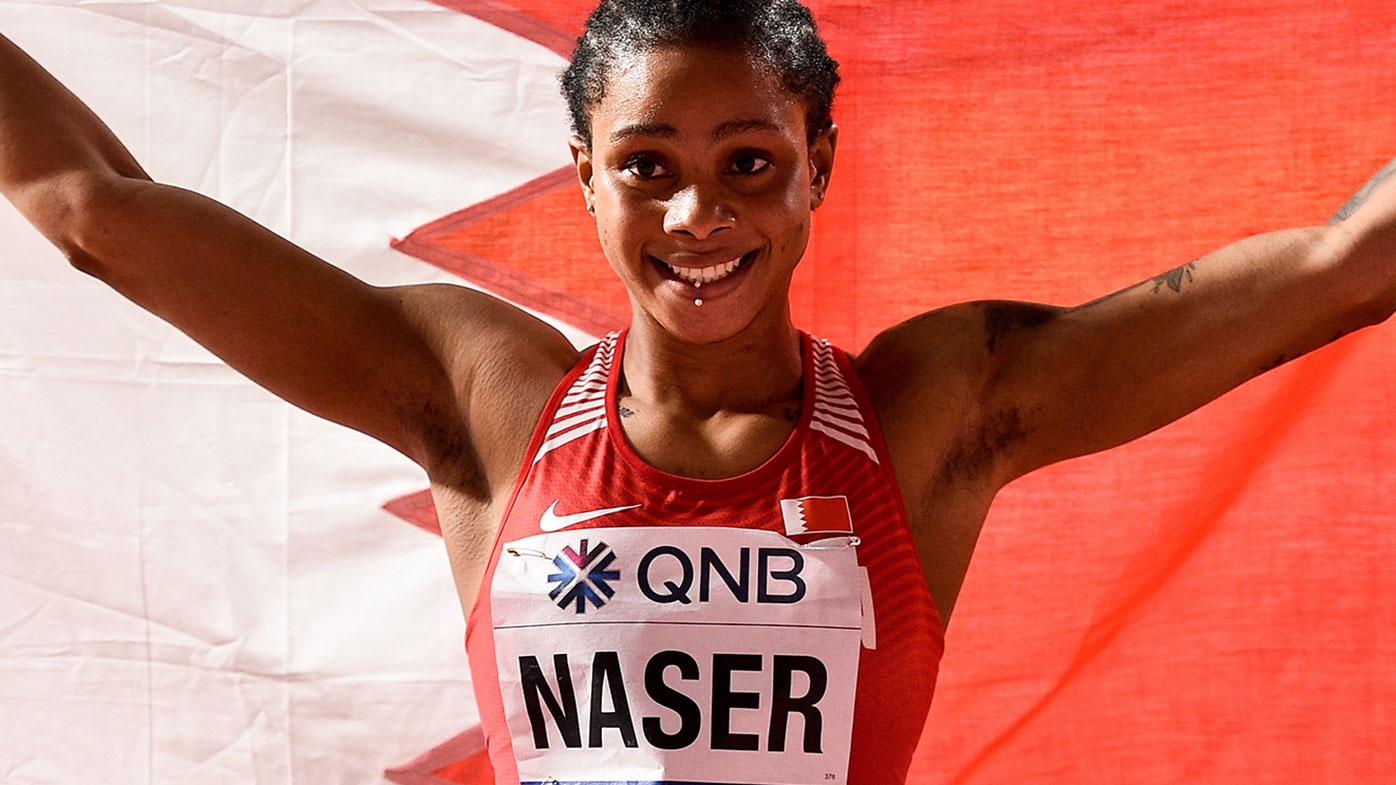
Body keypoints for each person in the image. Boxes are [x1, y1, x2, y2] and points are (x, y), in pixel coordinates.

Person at [1, 0, 1392, 783]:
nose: (697, 216)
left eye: (749, 162)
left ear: (819, 166)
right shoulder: (486, 404)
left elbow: (1344, 263)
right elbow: (91, 210)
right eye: (648, 162)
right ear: (588, 172)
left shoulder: (933, 410)